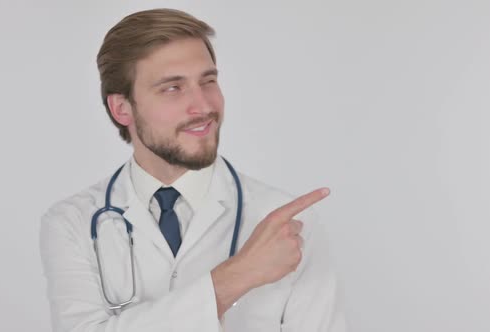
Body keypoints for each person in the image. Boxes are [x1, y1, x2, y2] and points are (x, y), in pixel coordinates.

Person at [40, 8, 347, 332]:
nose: (203, 106)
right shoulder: (73, 222)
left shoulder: (289, 225)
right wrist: (238, 276)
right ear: (122, 108)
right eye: (173, 88)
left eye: (208, 81)